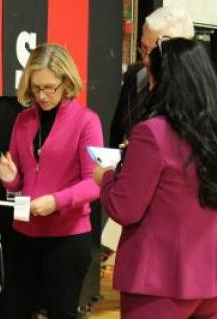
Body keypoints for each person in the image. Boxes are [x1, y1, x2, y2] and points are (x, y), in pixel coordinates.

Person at [94, 38, 217, 319]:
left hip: (160, 280)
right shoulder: (210, 133)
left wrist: (108, 176)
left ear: (161, 78)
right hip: (209, 279)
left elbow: (124, 208)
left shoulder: (152, 133)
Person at [0, 43, 103, 319]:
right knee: (12, 310)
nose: (41, 96)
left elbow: (94, 184)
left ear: (66, 82)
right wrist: (9, 178)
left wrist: (56, 201)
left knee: (60, 312)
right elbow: (19, 181)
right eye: (35, 88)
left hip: (67, 238)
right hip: (23, 233)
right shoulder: (22, 120)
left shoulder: (87, 122)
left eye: (49, 88)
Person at [110, 6, 194, 148]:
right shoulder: (135, 77)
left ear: (181, 53)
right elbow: (117, 131)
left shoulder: (198, 98)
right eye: (143, 48)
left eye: (155, 52)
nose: (146, 60)